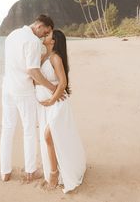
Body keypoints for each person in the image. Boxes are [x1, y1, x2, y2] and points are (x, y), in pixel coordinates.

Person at [0, 14, 60, 182]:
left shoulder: (12, 35)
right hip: (23, 91)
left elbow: (24, 63)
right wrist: (53, 87)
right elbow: (33, 71)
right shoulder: (33, 41)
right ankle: (30, 171)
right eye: (45, 32)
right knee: (29, 131)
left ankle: (5, 172)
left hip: (7, 88)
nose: (44, 36)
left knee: (7, 129)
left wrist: (46, 52)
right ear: (39, 25)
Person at [35, 29, 86, 193]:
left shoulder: (55, 58)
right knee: (54, 138)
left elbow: (63, 83)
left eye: (48, 35)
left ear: (54, 41)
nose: (45, 36)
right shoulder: (43, 57)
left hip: (57, 104)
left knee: (48, 136)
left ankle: (54, 174)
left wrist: (52, 100)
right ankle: (58, 168)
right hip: (46, 107)